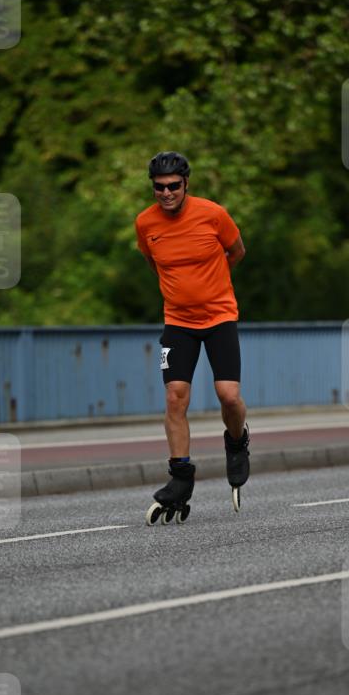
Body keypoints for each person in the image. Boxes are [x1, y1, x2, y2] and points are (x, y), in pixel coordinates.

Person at [135, 151, 250, 522]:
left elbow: (237, 251)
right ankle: (181, 477)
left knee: (228, 395)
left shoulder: (213, 214)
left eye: (173, 186)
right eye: (159, 187)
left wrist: (212, 283)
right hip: (178, 322)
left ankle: (237, 442)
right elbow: (153, 263)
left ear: (186, 184)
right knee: (175, 397)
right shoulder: (145, 223)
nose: (166, 193)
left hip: (219, 317)